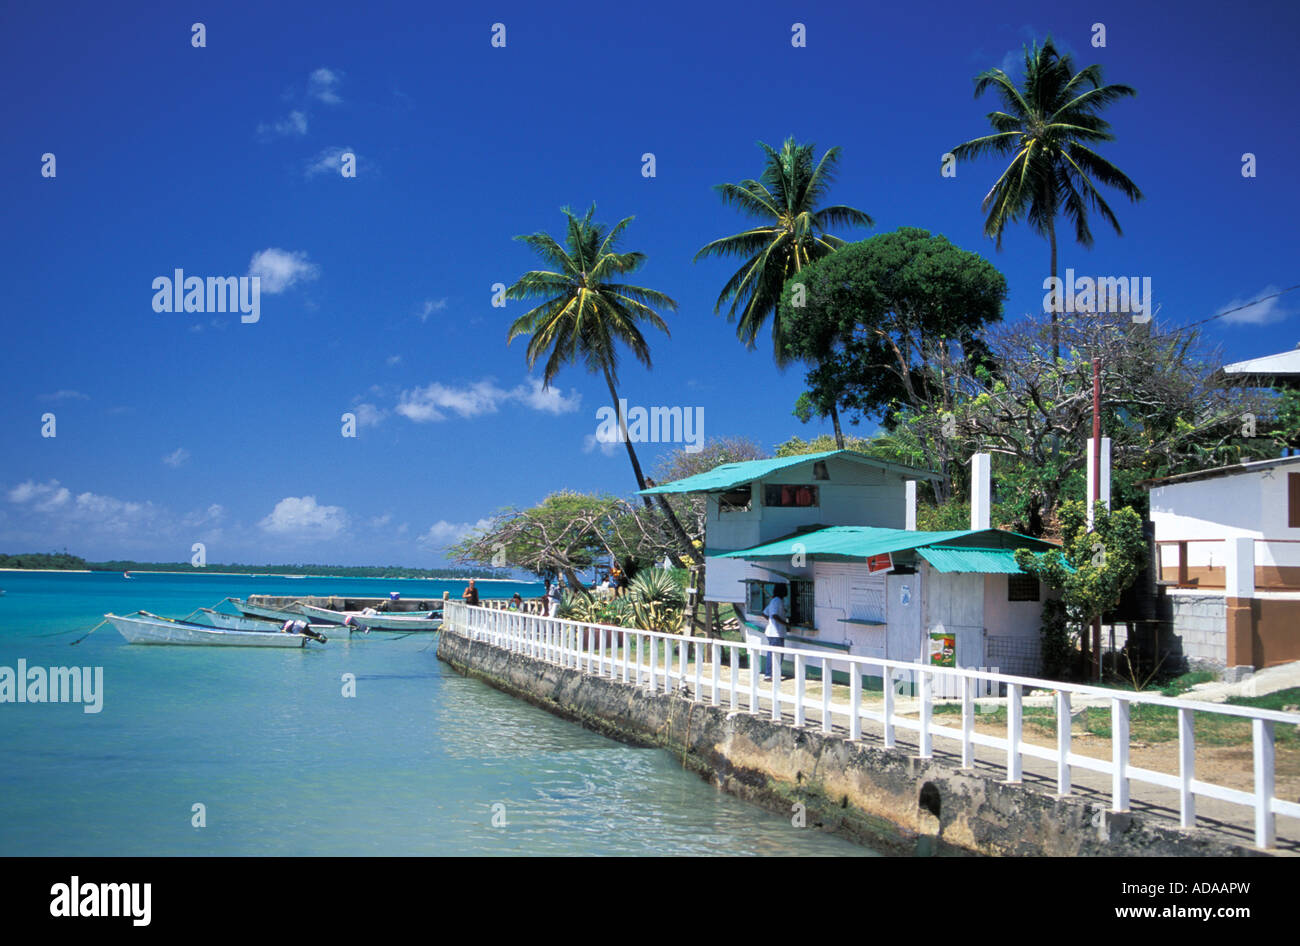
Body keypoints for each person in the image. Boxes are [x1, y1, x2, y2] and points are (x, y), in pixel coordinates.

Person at [761, 584, 787, 680]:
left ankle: (769, 674)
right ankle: (771, 675)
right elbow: (775, 615)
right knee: (777, 655)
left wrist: (770, 621)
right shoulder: (778, 601)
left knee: (772, 654)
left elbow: (764, 613)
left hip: (772, 632)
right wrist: (785, 624)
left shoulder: (773, 601)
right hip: (776, 633)